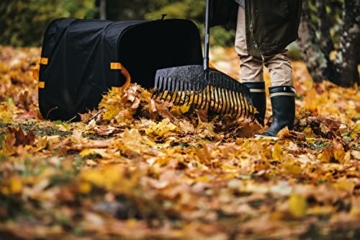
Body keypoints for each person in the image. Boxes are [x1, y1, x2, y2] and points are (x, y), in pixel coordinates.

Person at [233, 0, 302, 137]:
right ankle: (254, 120)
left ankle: (283, 124)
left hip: (268, 4)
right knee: (247, 53)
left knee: (274, 51)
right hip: (246, 4)